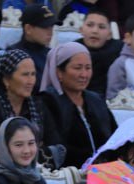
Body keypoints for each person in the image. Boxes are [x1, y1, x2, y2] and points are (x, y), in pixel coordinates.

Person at [43, 42, 117, 170]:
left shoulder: (96, 100)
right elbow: (56, 146)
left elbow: (114, 137)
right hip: (69, 173)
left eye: (88, 68)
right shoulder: (48, 101)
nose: (84, 74)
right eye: (78, 68)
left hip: (103, 172)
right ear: (59, 72)